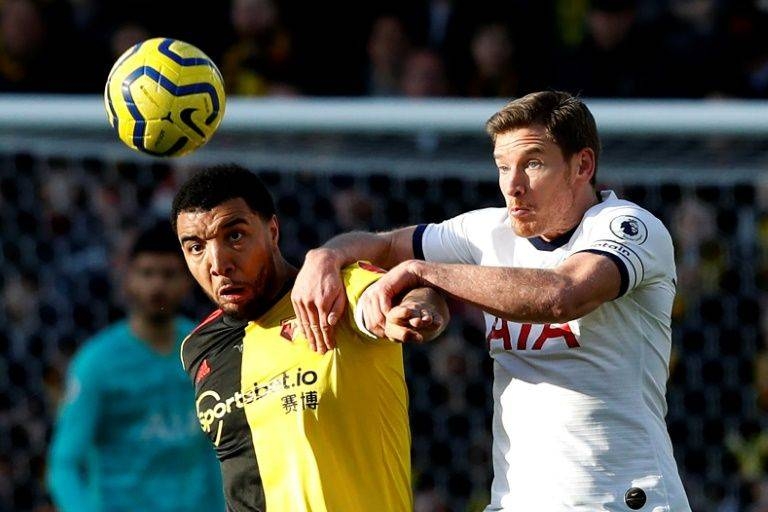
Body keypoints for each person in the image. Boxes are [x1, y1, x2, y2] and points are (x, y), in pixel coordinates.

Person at [292, 90, 692, 511]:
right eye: (503, 167)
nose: (513, 186)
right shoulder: (487, 233)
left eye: (532, 163)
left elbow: (562, 295)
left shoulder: (629, 227)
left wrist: (425, 273)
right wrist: (326, 256)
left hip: (624, 499)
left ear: (582, 165)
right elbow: (385, 245)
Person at [170, 164, 449, 511]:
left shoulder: (335, 290)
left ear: (272, 231)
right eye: (196, 247)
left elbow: (414, 291)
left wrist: (418, 310)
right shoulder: (198, 347)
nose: (218, 262)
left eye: (235, 236)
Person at [47, 220, 224, 512]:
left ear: (187, 280)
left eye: (168, 274)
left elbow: (221, 449)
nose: (157, 285)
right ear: (128, 278)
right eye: (147, 273)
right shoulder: (97, 363)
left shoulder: (206, 348)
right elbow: (64, 463)